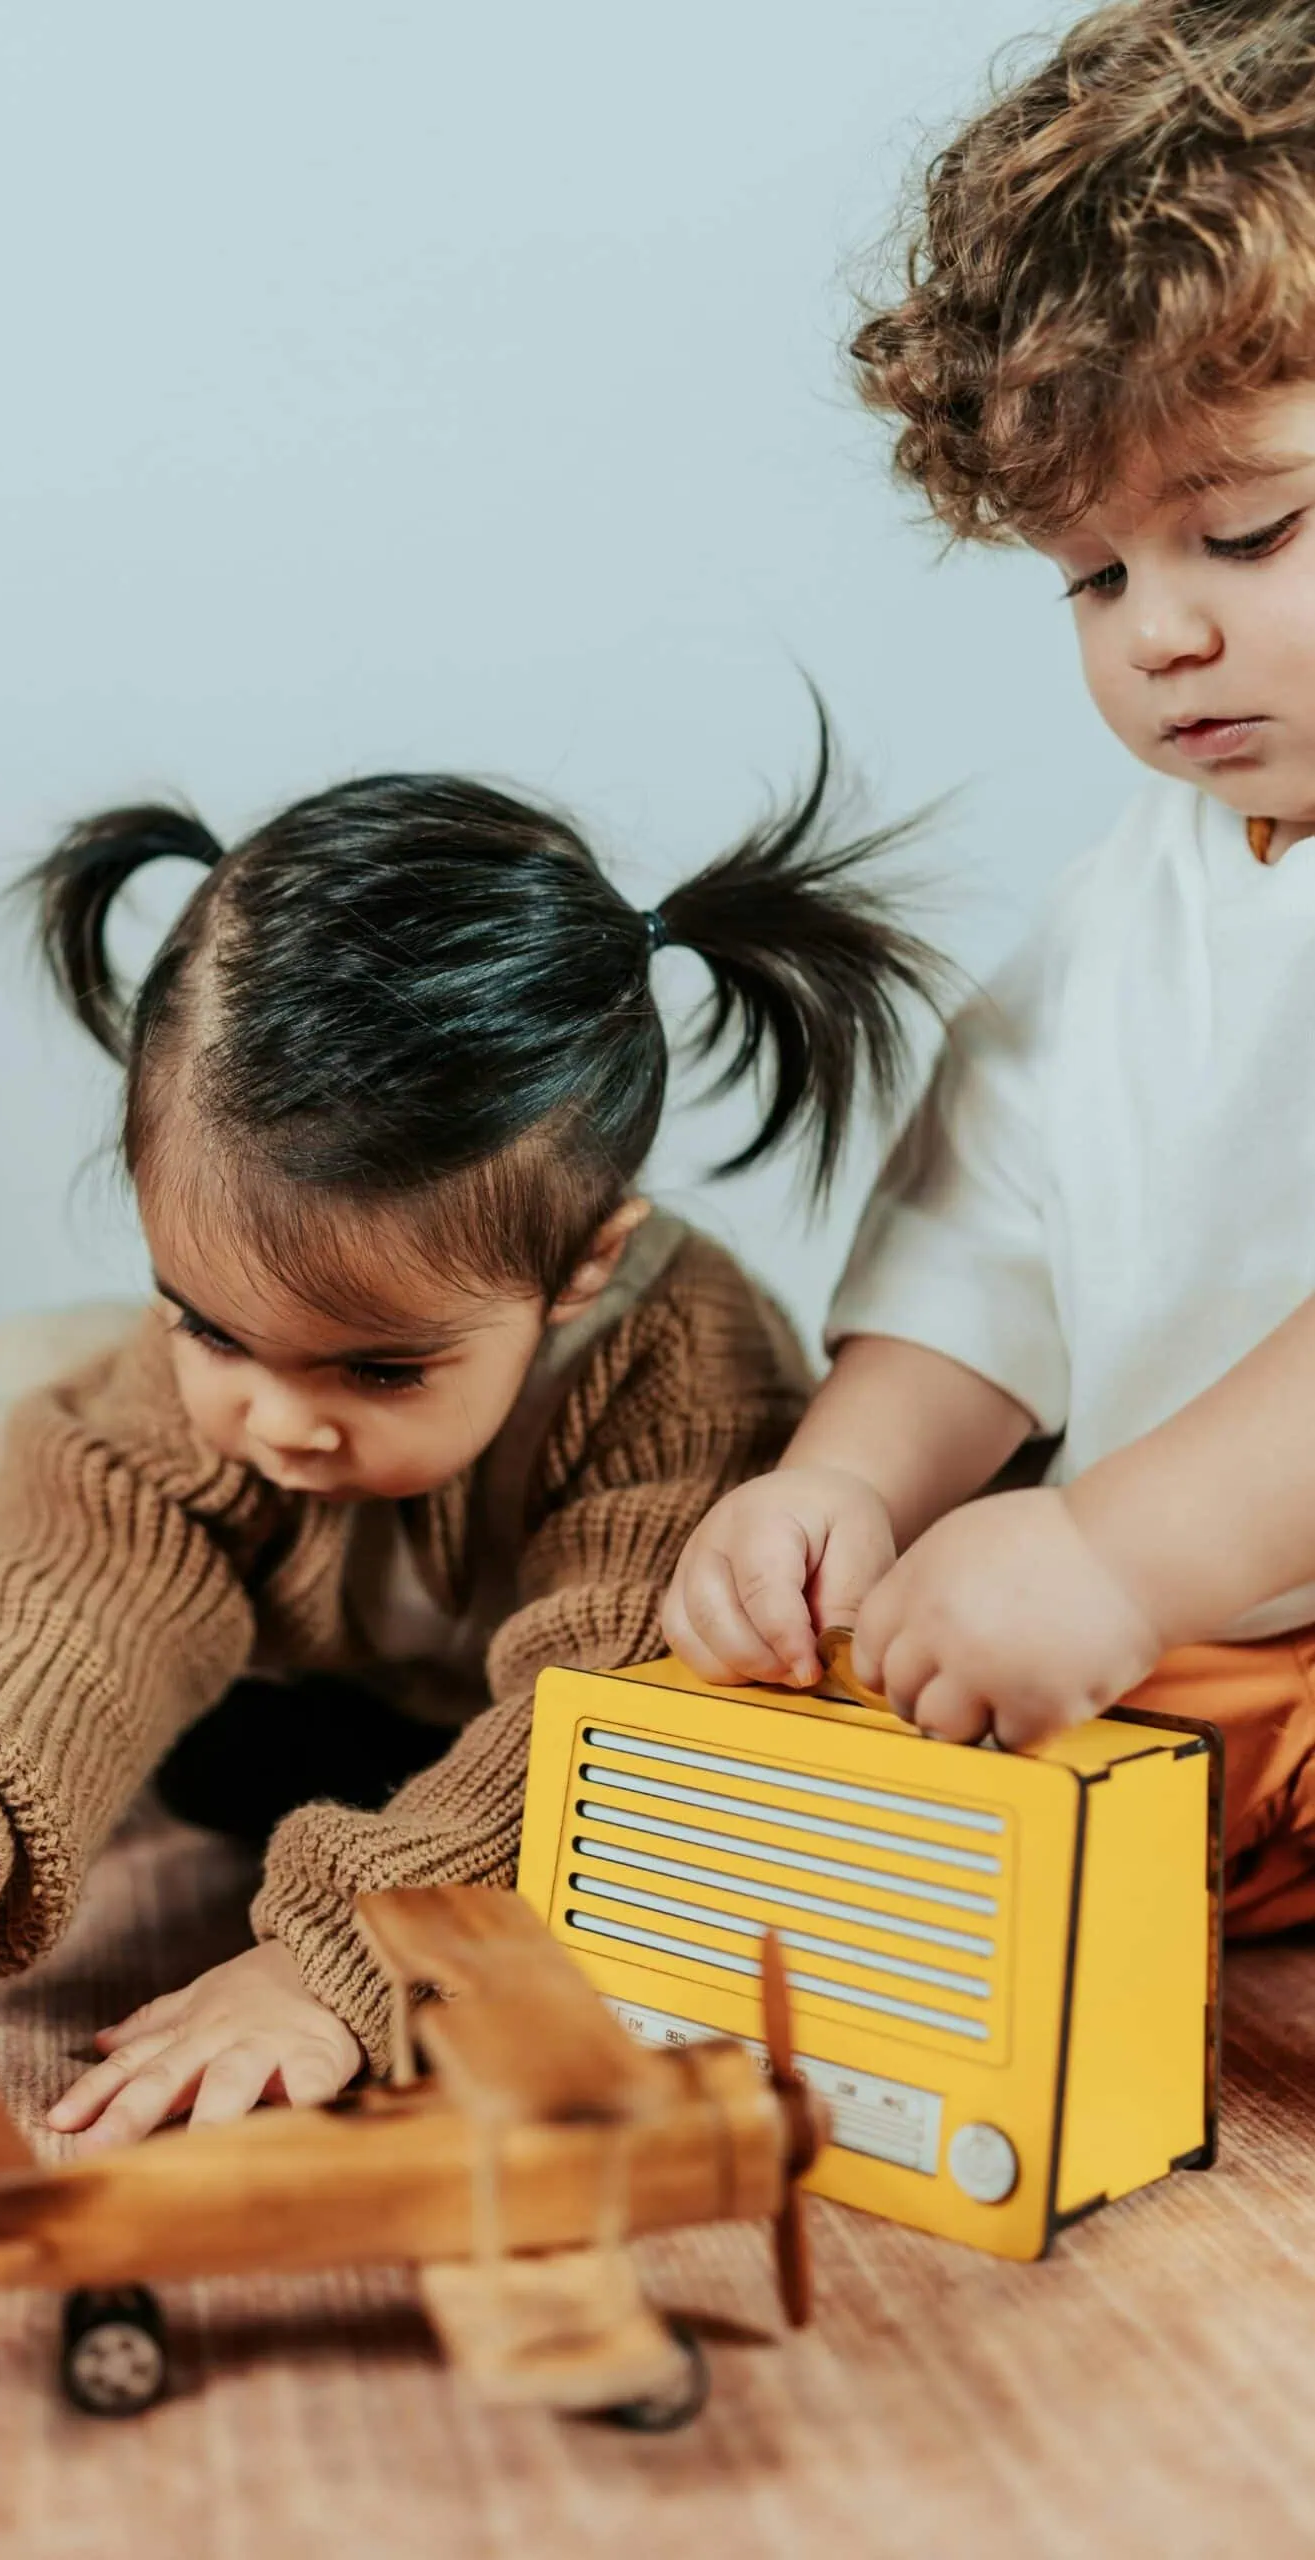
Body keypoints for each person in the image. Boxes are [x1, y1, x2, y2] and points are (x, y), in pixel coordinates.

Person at [0, 740, 940, 2145]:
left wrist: (338, 1959)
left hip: (485, 1700)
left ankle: (328, 1793)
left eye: (378, 1366)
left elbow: (611, 1719)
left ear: (580, 1271)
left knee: (662, 1751)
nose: (283, 1419)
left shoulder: (679, 1371)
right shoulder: (224, 1384)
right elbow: (89, 1572)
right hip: (306, 1657)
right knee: (29, 1408)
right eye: (212, 1326)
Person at [663, 0, 1315, 1938]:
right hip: (1222, 1649)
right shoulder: (1138, 899)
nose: (1159, 638)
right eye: (1095, 578)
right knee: (848, 1721)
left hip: (1183, 1584)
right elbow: (988, 1234)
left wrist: (1115, 1553)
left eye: (1247, 531)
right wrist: (846, 1486)